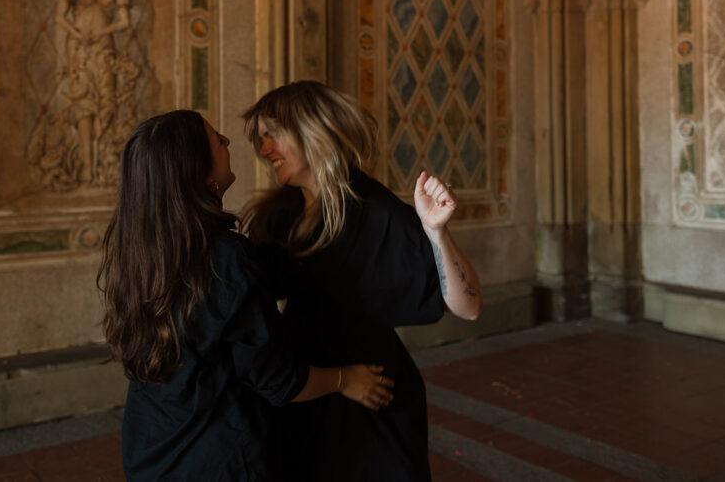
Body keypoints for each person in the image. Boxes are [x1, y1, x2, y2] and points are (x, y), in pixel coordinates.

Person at [98, 110, 394, 481]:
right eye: (216, 140)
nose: (228, 141)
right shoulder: (224, 257)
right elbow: (280, 381)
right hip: (216, 461)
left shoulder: (142, 250)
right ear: (197, 169)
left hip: (152, 451)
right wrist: (346, 379)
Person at [242, 81, 482, 482]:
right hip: (308, 390)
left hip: (374, 396)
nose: (265, 151)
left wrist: (437, 233)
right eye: (261, 140)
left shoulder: (377, 212)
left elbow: (468, 306)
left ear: (310, 131)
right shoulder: (278, 216)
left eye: (273, 137)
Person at [55, 0, 131, 185]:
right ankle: (87, 164)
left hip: (103, 47)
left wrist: (103, 31)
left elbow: (124, 21)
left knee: (106, 99)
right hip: (79, 48)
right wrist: (77, 32)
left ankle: (101, 161)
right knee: (83, 101)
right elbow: (59, 17)